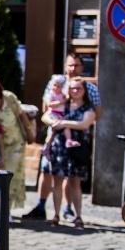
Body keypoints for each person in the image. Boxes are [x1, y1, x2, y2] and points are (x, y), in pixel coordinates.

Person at [24, 53, 101, 220]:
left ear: (82, 67)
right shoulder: (56, 83)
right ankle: (42, 206)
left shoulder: (89, 88)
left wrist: (71, 124)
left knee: (71, 176)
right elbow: (46, 110)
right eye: (70, 65)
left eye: (76, 66)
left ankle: (68, 208)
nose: (73, 69)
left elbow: (97, 114)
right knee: (48, 171)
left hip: (77, 139)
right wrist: (54, 123)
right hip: (55, 138)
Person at [41, 77, 95, 228]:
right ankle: (56, 214)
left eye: (79, 88)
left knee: (75, 182)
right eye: (73, 88)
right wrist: (54, 122)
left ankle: (78, 216)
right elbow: (46, 116)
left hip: (77, 147)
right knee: (57, 181)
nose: (75, 91)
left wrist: (63, 123)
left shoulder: (87, 108)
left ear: (84, 91)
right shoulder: (62, 105)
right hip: (59, 147)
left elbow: (84, 124)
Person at [0, 77, 33, 222]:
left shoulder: (8, 97)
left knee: (11, 177)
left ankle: (5, 211)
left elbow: (21, 114)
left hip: (16, 143)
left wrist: (29, 131)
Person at [42, 74, 77, 155]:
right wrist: (62, 101)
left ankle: (69, 140)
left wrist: (67, 97)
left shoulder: (62, 95)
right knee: (52, 132)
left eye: (59, 86)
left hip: (61, 114)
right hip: (53, 114)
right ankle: (46, 147)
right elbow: (49, 104)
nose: (56, 88)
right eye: (54, 85)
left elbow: (68, 98)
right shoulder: (51, 94)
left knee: (66, 126)